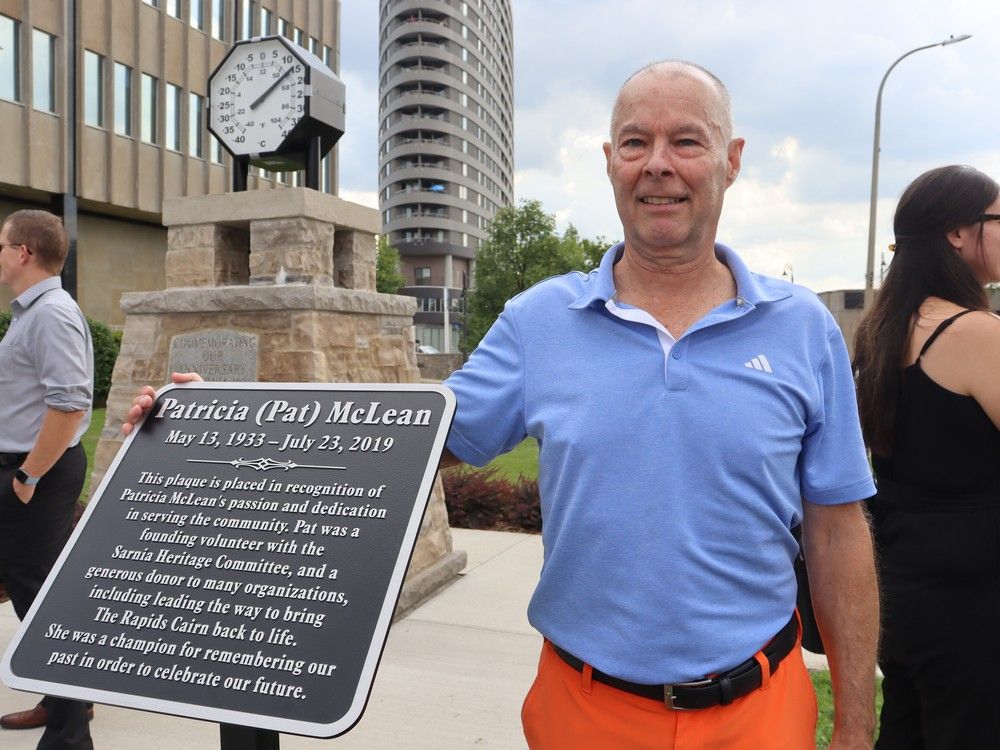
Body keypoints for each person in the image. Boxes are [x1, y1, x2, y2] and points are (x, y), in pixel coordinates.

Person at [126, 61, 879, 749]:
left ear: (732, 160)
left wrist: (852, 726)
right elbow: (412, 435)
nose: (658, 164)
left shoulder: (802, 328)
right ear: (609, 161)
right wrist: (225, 422)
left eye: (687, 141)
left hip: (760, 713)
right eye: (634, 142)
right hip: (583, 712)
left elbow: (837, 532)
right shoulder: (539, 321)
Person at [853, 165, 1000, 749]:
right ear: (958, 233)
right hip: (974, 594)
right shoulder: (975, 333)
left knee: (909, 731)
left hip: (903, 584)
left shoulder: (883, 329)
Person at [0, 210, 95, 750]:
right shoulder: (31, 312)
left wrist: (28, 476)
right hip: (27, 469)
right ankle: (61, 699)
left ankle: (69, 735)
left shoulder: (51, 314)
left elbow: (68, 404)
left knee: (40, 598)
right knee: (34, 592)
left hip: (36, 473)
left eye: (1, 244)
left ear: (24, 253)